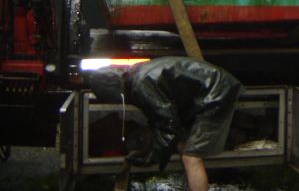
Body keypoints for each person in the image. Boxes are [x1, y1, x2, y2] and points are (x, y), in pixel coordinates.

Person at [87, 56, 243, 191]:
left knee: (191, 157)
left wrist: (154, 156)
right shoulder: (136, 73)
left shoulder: (141, 84)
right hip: (204, 92)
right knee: (182, 146)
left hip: (215, 92)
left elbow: (168, 123)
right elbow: (162, 118)